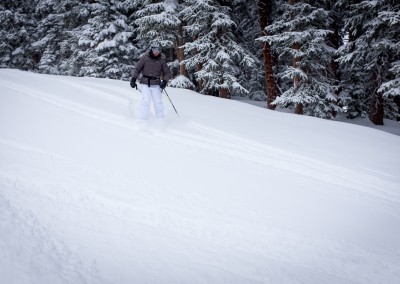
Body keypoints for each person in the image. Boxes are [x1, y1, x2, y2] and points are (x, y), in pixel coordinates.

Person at [130, 42, 172, 120]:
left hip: (156, 84)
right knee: (146, 101)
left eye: (158, 50)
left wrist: (165, 82)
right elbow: (137, 69)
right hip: (145, 83)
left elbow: (167, 73)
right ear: (151, 49)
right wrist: (133, 79)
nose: (156, 52)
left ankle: (160, 122)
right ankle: (142, 121)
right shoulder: (145, 57)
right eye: (154, 49)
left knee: (158, 103)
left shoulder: (162, 59)